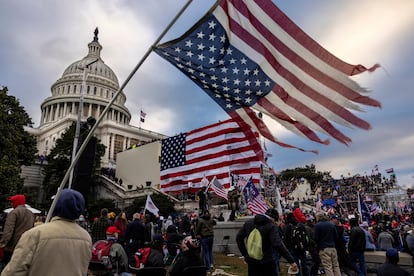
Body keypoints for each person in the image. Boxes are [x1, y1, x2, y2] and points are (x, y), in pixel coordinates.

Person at [1, 189, 92, 276]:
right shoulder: (86, 238)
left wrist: (3, 243)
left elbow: (14, 271)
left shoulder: (37, 233)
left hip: (14, 247)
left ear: (55, 205)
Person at [236, 208, 298, 276]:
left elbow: (239, 238)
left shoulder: (248, 223)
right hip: (267, 262)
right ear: (274, 219)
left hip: (252, 261)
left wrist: (244, 254)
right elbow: (277, 244)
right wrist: (291, 261)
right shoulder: (271, 226)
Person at [0, 194, 34, 267]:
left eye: (12, 202)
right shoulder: (31, 214)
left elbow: (8, 230)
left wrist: (2, 244)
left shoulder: (14, 212)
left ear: (17, 202)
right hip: (25, 246)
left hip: (11, 248)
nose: (11, 204)